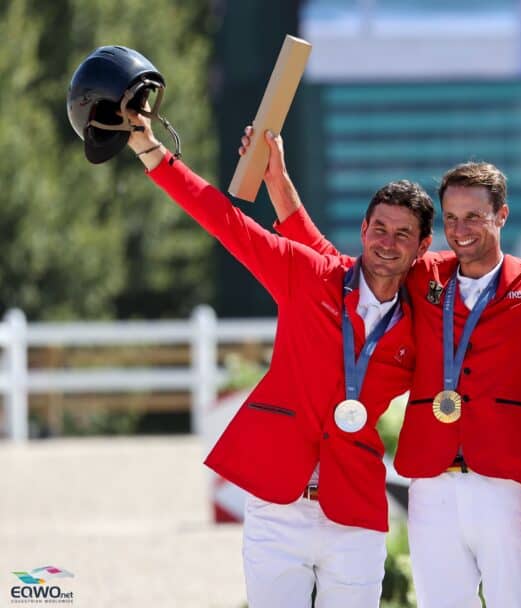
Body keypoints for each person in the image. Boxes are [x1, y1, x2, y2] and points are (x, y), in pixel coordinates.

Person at [241, 125, 521, 606]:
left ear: (501, 215)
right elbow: (333, 264)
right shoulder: (423, 273)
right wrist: (278, 185)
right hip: (431, 483)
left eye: (473, 217)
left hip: (505, 483)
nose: (461, 230)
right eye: (451, 219)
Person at [126, 113, 433, 608]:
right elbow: (226, 223)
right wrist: (153, 154)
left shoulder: (422, 327)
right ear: (363, 229)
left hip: (354, 509)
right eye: (379, 228)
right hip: (278, 502)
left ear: (423, 247)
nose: (387, 243)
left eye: (402, 234)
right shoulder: (310, 275)